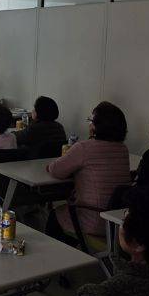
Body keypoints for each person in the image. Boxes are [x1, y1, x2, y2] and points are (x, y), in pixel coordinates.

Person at [46, 101, 132, 242]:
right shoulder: (123, 149)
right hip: (117, 221)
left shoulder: (84, 148)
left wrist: (49, 166)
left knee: (55, 216)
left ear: (96, 126)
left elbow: (56, 171)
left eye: (91, 120)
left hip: (93, 220)